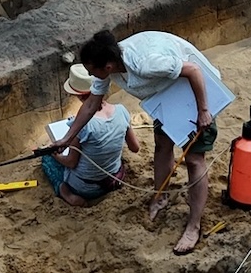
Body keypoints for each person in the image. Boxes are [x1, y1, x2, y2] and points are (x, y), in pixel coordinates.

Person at [75, 29, 236, 254]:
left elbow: (193, 70)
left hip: (197, 91)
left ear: (108, 67)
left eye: (92, 70)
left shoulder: (146, 64)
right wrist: (66, 138)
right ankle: (160, 197)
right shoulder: (109, 60)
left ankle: (194, 225)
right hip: (165, 94)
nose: (91, 74)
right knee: (162, 146)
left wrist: (204, 111)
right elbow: (92, 104)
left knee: (193, 159)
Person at [42, 65, 141, 206]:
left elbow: (71, 162)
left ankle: (67, 194)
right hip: (116, 178)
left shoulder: (83, 126)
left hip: (86, 188)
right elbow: (135, 147)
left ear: (79, 95)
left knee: (47, 160)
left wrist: (54, 154)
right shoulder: (121, 110)